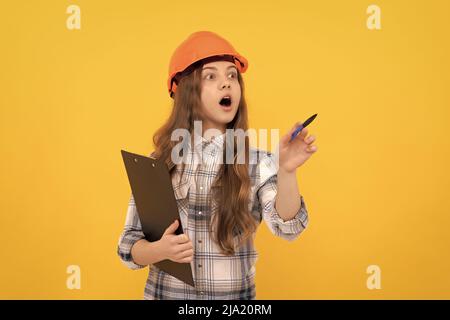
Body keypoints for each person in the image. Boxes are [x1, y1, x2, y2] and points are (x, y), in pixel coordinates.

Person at [117, 31, 318, 300]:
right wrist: (160, 251)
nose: (226, 84)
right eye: (211, 76)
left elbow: (289, 227)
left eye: (232, 76)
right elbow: (128, 245)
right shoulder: (158, 163)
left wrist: (287, 171)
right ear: (186, 91)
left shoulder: (256, 162)